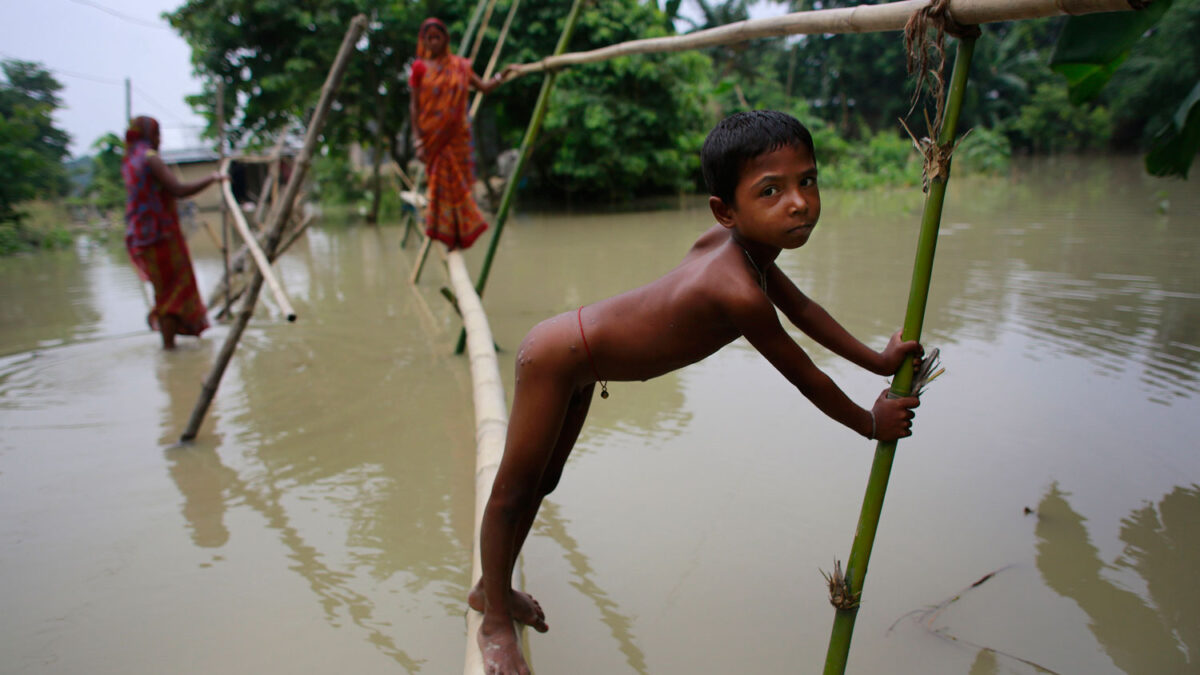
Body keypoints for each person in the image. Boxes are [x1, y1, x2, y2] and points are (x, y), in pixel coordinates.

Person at [471, 110, 925, 674]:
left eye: (807, 181)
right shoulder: (736, 289)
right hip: (555, 358)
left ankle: (494, 589)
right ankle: (493, 615)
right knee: (515, 492)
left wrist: (877, 359)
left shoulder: (747, 250)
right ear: (726, 211)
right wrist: (869, 423)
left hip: (582, 359)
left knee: (548, 479)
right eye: (771, 191)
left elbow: (804, 310)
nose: (799, 202)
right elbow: (804, 373)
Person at [408, 16, 512, 250]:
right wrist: (417, 140)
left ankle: (458, 235)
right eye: (429, 38)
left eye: (438, 37)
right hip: (432, 139)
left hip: (457, 138)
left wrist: (502, 75)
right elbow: (414, 106)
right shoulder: (419, 68)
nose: (434, 42)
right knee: (439, 186)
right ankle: (445, 234)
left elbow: (483, 87)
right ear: (423, 41)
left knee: (460, 186)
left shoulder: (461, 66)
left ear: (445, 38)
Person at [123, 115, 224, 349]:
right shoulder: (151, 159)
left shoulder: (130, 161)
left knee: (164, 293)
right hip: (162, 236)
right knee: (173, 293)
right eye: (157, 134)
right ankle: (169, 347)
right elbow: (178, 189)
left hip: (142, 237)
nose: (160, 140)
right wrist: (213, 177)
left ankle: (169, 348)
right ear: (149, 136)